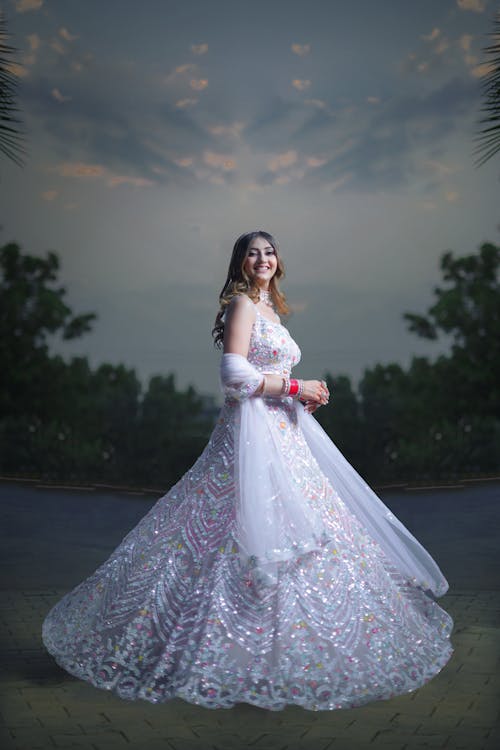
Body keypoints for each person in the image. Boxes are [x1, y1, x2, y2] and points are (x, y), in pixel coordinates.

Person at [42, 230, 453, 711]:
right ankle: (210, 648)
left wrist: (303, 398)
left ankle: (293, 650)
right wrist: (298, 386)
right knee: (229, 530)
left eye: (269, 251)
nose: (262, 258)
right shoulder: (241, 306)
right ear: (240, 264)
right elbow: (233, 376)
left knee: (307, 527)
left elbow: (265, 377)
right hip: (249, 441)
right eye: (252, 253)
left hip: (284, 436)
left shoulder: (271, 310)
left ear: (278, 262)